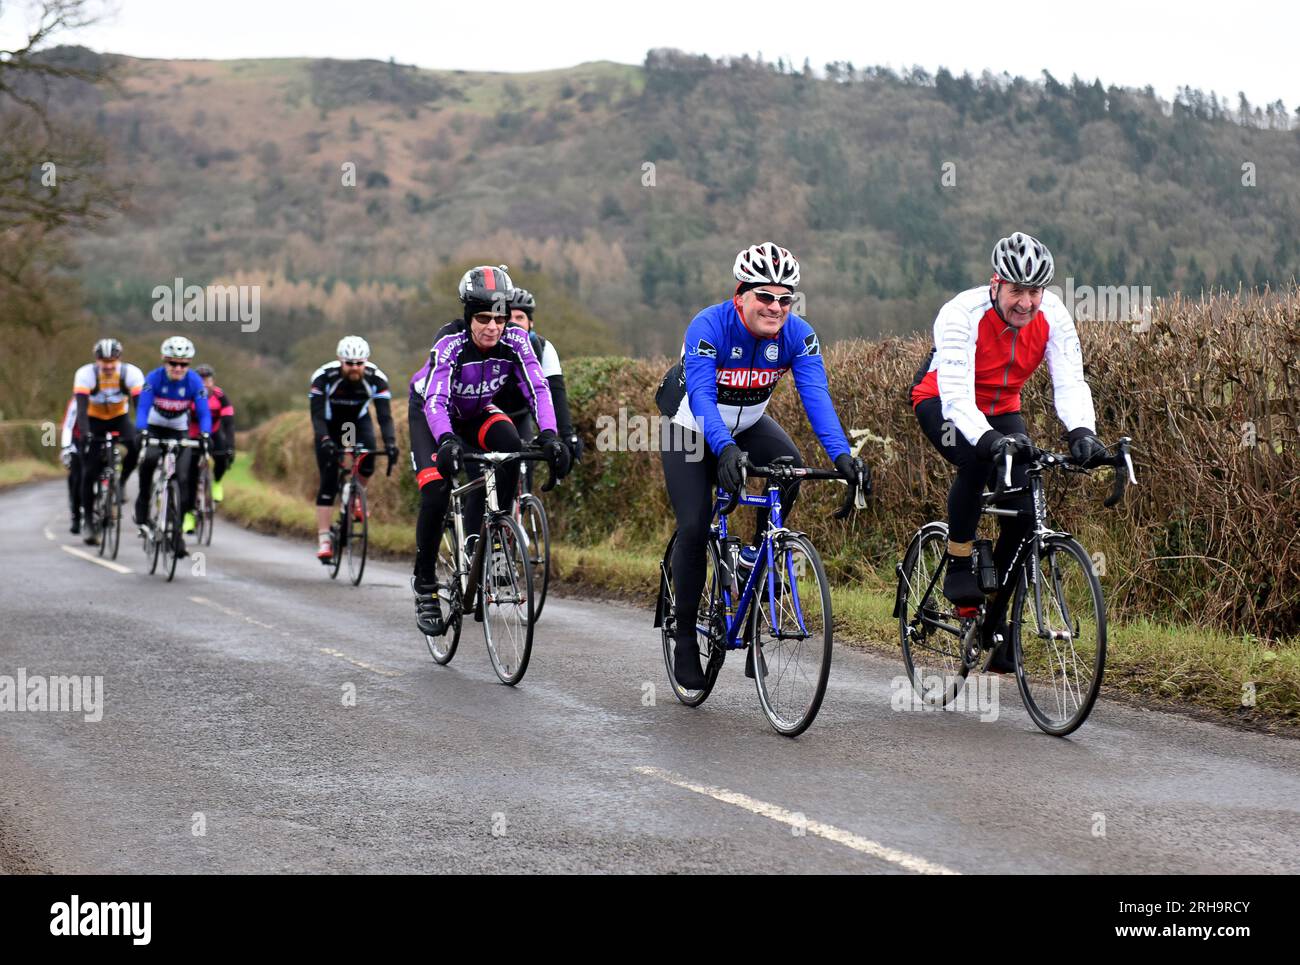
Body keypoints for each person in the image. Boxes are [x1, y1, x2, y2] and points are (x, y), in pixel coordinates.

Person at [656, 242, 868, 688]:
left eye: (785, 299)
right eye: (765, 297)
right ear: (741, 296)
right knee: (694, 526)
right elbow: (701, 396)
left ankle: (757, 566)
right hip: (692, 428)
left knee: (790, 467)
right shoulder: (708, 325)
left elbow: (817, 399)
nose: (776, 307)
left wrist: (843, 455)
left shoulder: (798, 334)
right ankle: (685, 641)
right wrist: (725, 449)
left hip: (749, 422)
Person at [909, 231, 1107, 672]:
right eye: (1016, 290)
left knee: (1023, 512)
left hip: (1001, 408)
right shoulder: (961, 313)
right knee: (976, 459)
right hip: (940, 401)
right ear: (995, 283)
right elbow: (957, 396)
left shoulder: (1053, 315)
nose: (1026, 302)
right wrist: (989, 441)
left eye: (1035, 291)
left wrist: (1081, 432)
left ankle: (996, 625)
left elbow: (1071, 381)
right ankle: (960, 561)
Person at [407, 265, 572, 635]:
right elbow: (435, 399)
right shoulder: (449, 342)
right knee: (435, 491)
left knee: (511, 447)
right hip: (433, 414)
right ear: (468, 316)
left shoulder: (516, 341)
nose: (493, 327)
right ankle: (425, 586)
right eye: (483, 318)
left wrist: (550, 435)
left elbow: (539, 389)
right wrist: (447, 441)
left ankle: (491, 538)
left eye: (499, 318)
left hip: (476, 410)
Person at [308, 336, 398, 561]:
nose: (355, 368)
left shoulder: (376, 378)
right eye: (350, 363)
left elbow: (385, 416)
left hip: (357, 422)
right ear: (340, 360)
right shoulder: (323, 377)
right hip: (330, 425)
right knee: (328, 481)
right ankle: (325, 538)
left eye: (359, 363)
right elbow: (317, 416)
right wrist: (325, 439)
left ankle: (355, 494)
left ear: (366, 361)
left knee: (368, 460)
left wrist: (390, 443)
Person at [134, 336, 211, 557]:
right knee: (149, 460)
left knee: (183, 479)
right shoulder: (153, 378)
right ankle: (143, 502)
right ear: (164, 362)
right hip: (155, 426)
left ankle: (176, 535)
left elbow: (204, 411)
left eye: (184, 364)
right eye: (173, 363)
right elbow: (142, 407)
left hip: (179, 430)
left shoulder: (195, 382)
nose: (178, 368)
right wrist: (142, 430)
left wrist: (205, 434)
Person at [494, 287, 583, 469]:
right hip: (485, 420)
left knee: (526, 469)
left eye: (520, 318)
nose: (514, 324)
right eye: (509, 318)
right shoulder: (489, 346)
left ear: (531, 323)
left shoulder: (542, 348)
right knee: (481, 487)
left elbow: (555, 393)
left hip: (520, 419)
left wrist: (566, 435)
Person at [72, 338, 144, 545]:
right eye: (104, 362)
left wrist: (141, 430)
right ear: (97, 361)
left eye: (113, 361)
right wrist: (85, 433)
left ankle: (120, 483)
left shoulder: (131, 373)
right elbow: (81, 408)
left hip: (119, 418)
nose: (109, 366)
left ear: (119, 359)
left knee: (135, 445)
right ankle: (88, 522)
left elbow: (140, 406)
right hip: (93, 420)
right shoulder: (85, 374)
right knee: (89, 471)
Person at [182, 363, 237, 534]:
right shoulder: (188, 394)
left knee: (222, 456)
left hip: (213, 433)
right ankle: (189, 516)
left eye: (208, 379)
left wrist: (231, 446)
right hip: (191, 434)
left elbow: (229, 424)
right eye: (201, 380)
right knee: (191, 476)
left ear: (213, 381)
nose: (205, 383)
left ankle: (217, 481)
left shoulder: (220, 396)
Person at [59, 395, 83, 534]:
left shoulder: (111, 395)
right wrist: (66, 446)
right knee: (76, 478)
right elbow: (68, 425)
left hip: (98, 441)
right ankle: (76, 517)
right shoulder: (76, 400)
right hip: (77, 443)